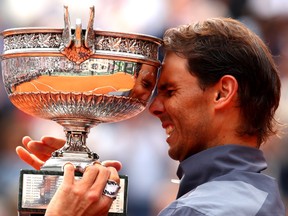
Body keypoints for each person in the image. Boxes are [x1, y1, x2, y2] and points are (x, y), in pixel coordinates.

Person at [16, 17, 285, 215]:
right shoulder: (258, 195)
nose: (154, 107)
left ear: (222, 93)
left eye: (170, 90)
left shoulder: (201, 210)